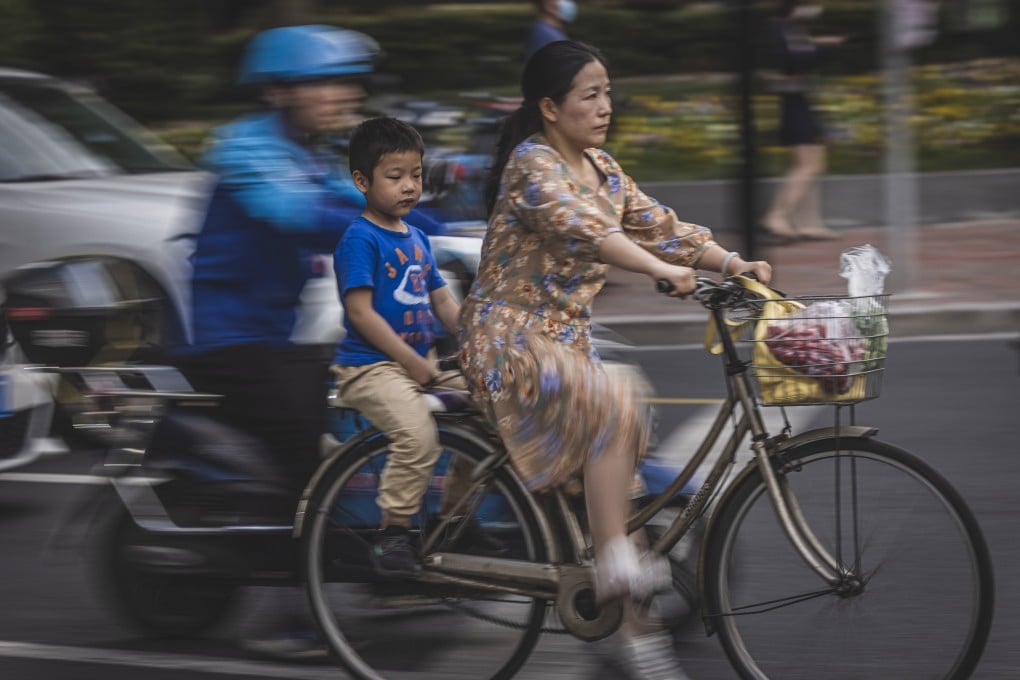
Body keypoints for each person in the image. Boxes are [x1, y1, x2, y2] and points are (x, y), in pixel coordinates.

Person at [458, 40, 772, 679]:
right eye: (590, 95)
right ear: (550, 107)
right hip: (506, 343)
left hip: (562, 344)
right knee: (614, 405)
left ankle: (638, 637)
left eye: (607, 92)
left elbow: (662, 227)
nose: (605, 106)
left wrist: (732, 263)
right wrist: (661, 272)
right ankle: (612, 570)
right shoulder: (533, 166)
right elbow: (590, 231)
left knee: (620, 486)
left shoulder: (602, 166)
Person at [181, 24, 439, 658]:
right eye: (321, 81)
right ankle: (279, 614)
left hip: (278, 339)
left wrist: (448, 227)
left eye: (346, 80)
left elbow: (367, 204)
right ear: (277, 92)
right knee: (305, 452)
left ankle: (387, 556)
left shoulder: (313, 153)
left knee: (384, 400)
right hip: (230, 342)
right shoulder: (245, 148)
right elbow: (295, 214)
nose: (340, 92)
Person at [332, 117, 503, 577]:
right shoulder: (360, 239)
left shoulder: (417, 238)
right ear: (362, 181)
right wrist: (411, 362)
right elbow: (361, 314)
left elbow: (444, 301)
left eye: (416, 175)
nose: (409, 186)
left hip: (417, 365)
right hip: (371, 369)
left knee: (490, 411)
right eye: (395, 177)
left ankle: (455, 520)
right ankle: (394, 536)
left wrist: (479, 340)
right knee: (417, 434)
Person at [759, 0, 845, 242]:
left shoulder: (790, 28)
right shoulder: (780, 28)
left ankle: (808, 223)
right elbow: (792, 61)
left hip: (799, 99)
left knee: (810, 164)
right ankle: (776, 216)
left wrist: (816, 45)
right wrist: (821, 48)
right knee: (809, 165)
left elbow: (796, 57)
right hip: (792, 101)